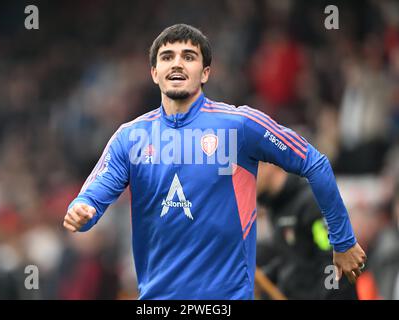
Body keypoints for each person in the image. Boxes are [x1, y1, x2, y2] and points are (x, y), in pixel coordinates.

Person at [63, 24, 367, 299]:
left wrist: (342, 241)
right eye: (167, 56)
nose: (177, 63)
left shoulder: (240, 125)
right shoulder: (129, 138)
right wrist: (83, 208)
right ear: (154, 72)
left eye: (189, 56)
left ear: (205, 72)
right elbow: (92, 197)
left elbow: (314, 163)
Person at [256, 162, 358, 299]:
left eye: (250, 165)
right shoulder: (275, 207)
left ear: (269, 163)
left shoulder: (312, 202)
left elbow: (333, 261)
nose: (244, 177)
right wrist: (265, 277)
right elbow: (294, 258)